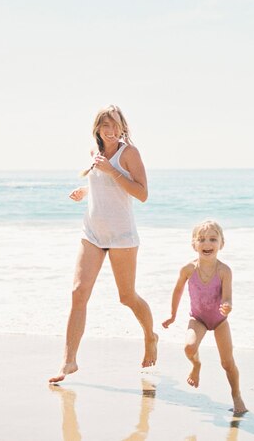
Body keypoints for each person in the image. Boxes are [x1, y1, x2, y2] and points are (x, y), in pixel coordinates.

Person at [49, 105, 158, 384]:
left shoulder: (129, 154)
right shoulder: (94, 153)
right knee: (78, 292)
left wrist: (111, 171)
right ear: (97, 128)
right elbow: (102, 186)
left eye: (115, 125)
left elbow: (142, 194)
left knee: (127, 297)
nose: (110, 131)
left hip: (121, 236)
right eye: (104, 125)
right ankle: (68, 360)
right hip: (92, 233)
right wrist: (85, 191)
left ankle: (150, 336)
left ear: (123, 126)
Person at [162, 220, 247, 415]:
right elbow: (177, 291)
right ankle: (196, 365)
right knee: (189, 347)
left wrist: (227, 307)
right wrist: (172, 315)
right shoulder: (188, 269)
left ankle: (236, 396)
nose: (207, 244)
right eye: (201, 239)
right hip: (198, 318)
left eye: (212, 239)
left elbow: (227, 297)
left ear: (221, 244)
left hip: (219, 321)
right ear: (194, 244)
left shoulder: (224, 271)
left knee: (227, 363)